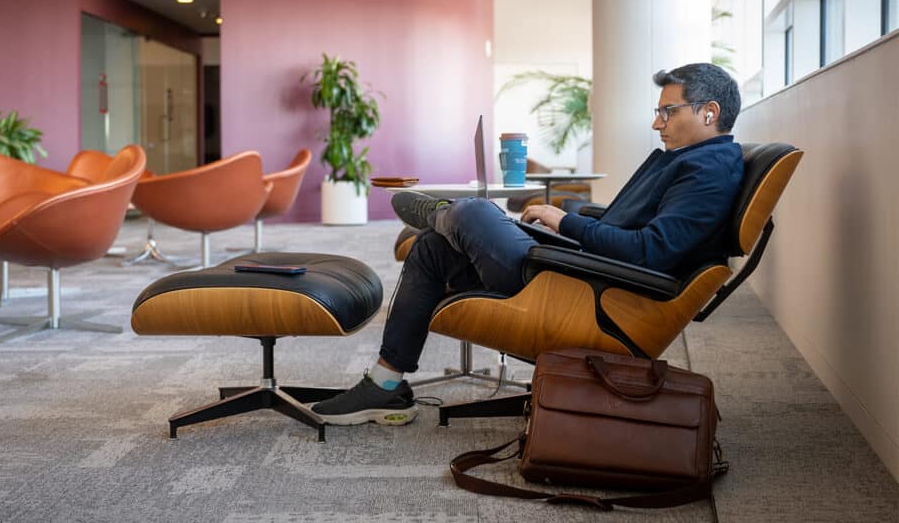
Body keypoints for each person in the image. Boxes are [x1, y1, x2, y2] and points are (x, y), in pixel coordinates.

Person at [311, 63, 745, 426]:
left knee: (475, 213)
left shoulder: (707, 172)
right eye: (658, 111)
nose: (657, 123)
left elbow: (650, 253)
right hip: (581, 269)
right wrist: (568, 223)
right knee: (432, 248)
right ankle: (385, 384)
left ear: (710, 112)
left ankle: (446, 214)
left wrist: (567, 222)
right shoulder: (691, 161)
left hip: (589, 292)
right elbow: (634, 231)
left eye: (668, 111)